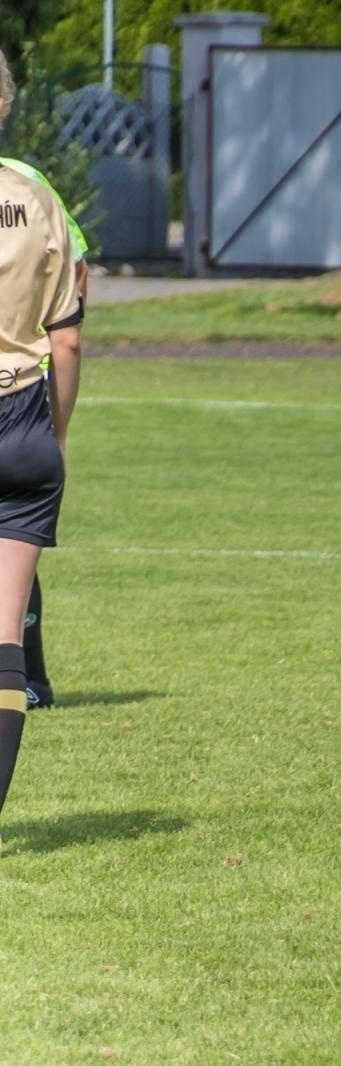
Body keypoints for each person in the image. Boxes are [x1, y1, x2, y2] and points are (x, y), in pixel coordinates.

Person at [0, 49, 84, 826]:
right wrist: (53, 435)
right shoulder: (36, 198)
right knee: (6, 642)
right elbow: (68, 339)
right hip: (25, 421)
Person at [0, 154, 90, 710]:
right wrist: (58, 432)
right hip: (25, 403)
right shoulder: (32, 186)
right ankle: (31, 678)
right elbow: (76, 284)